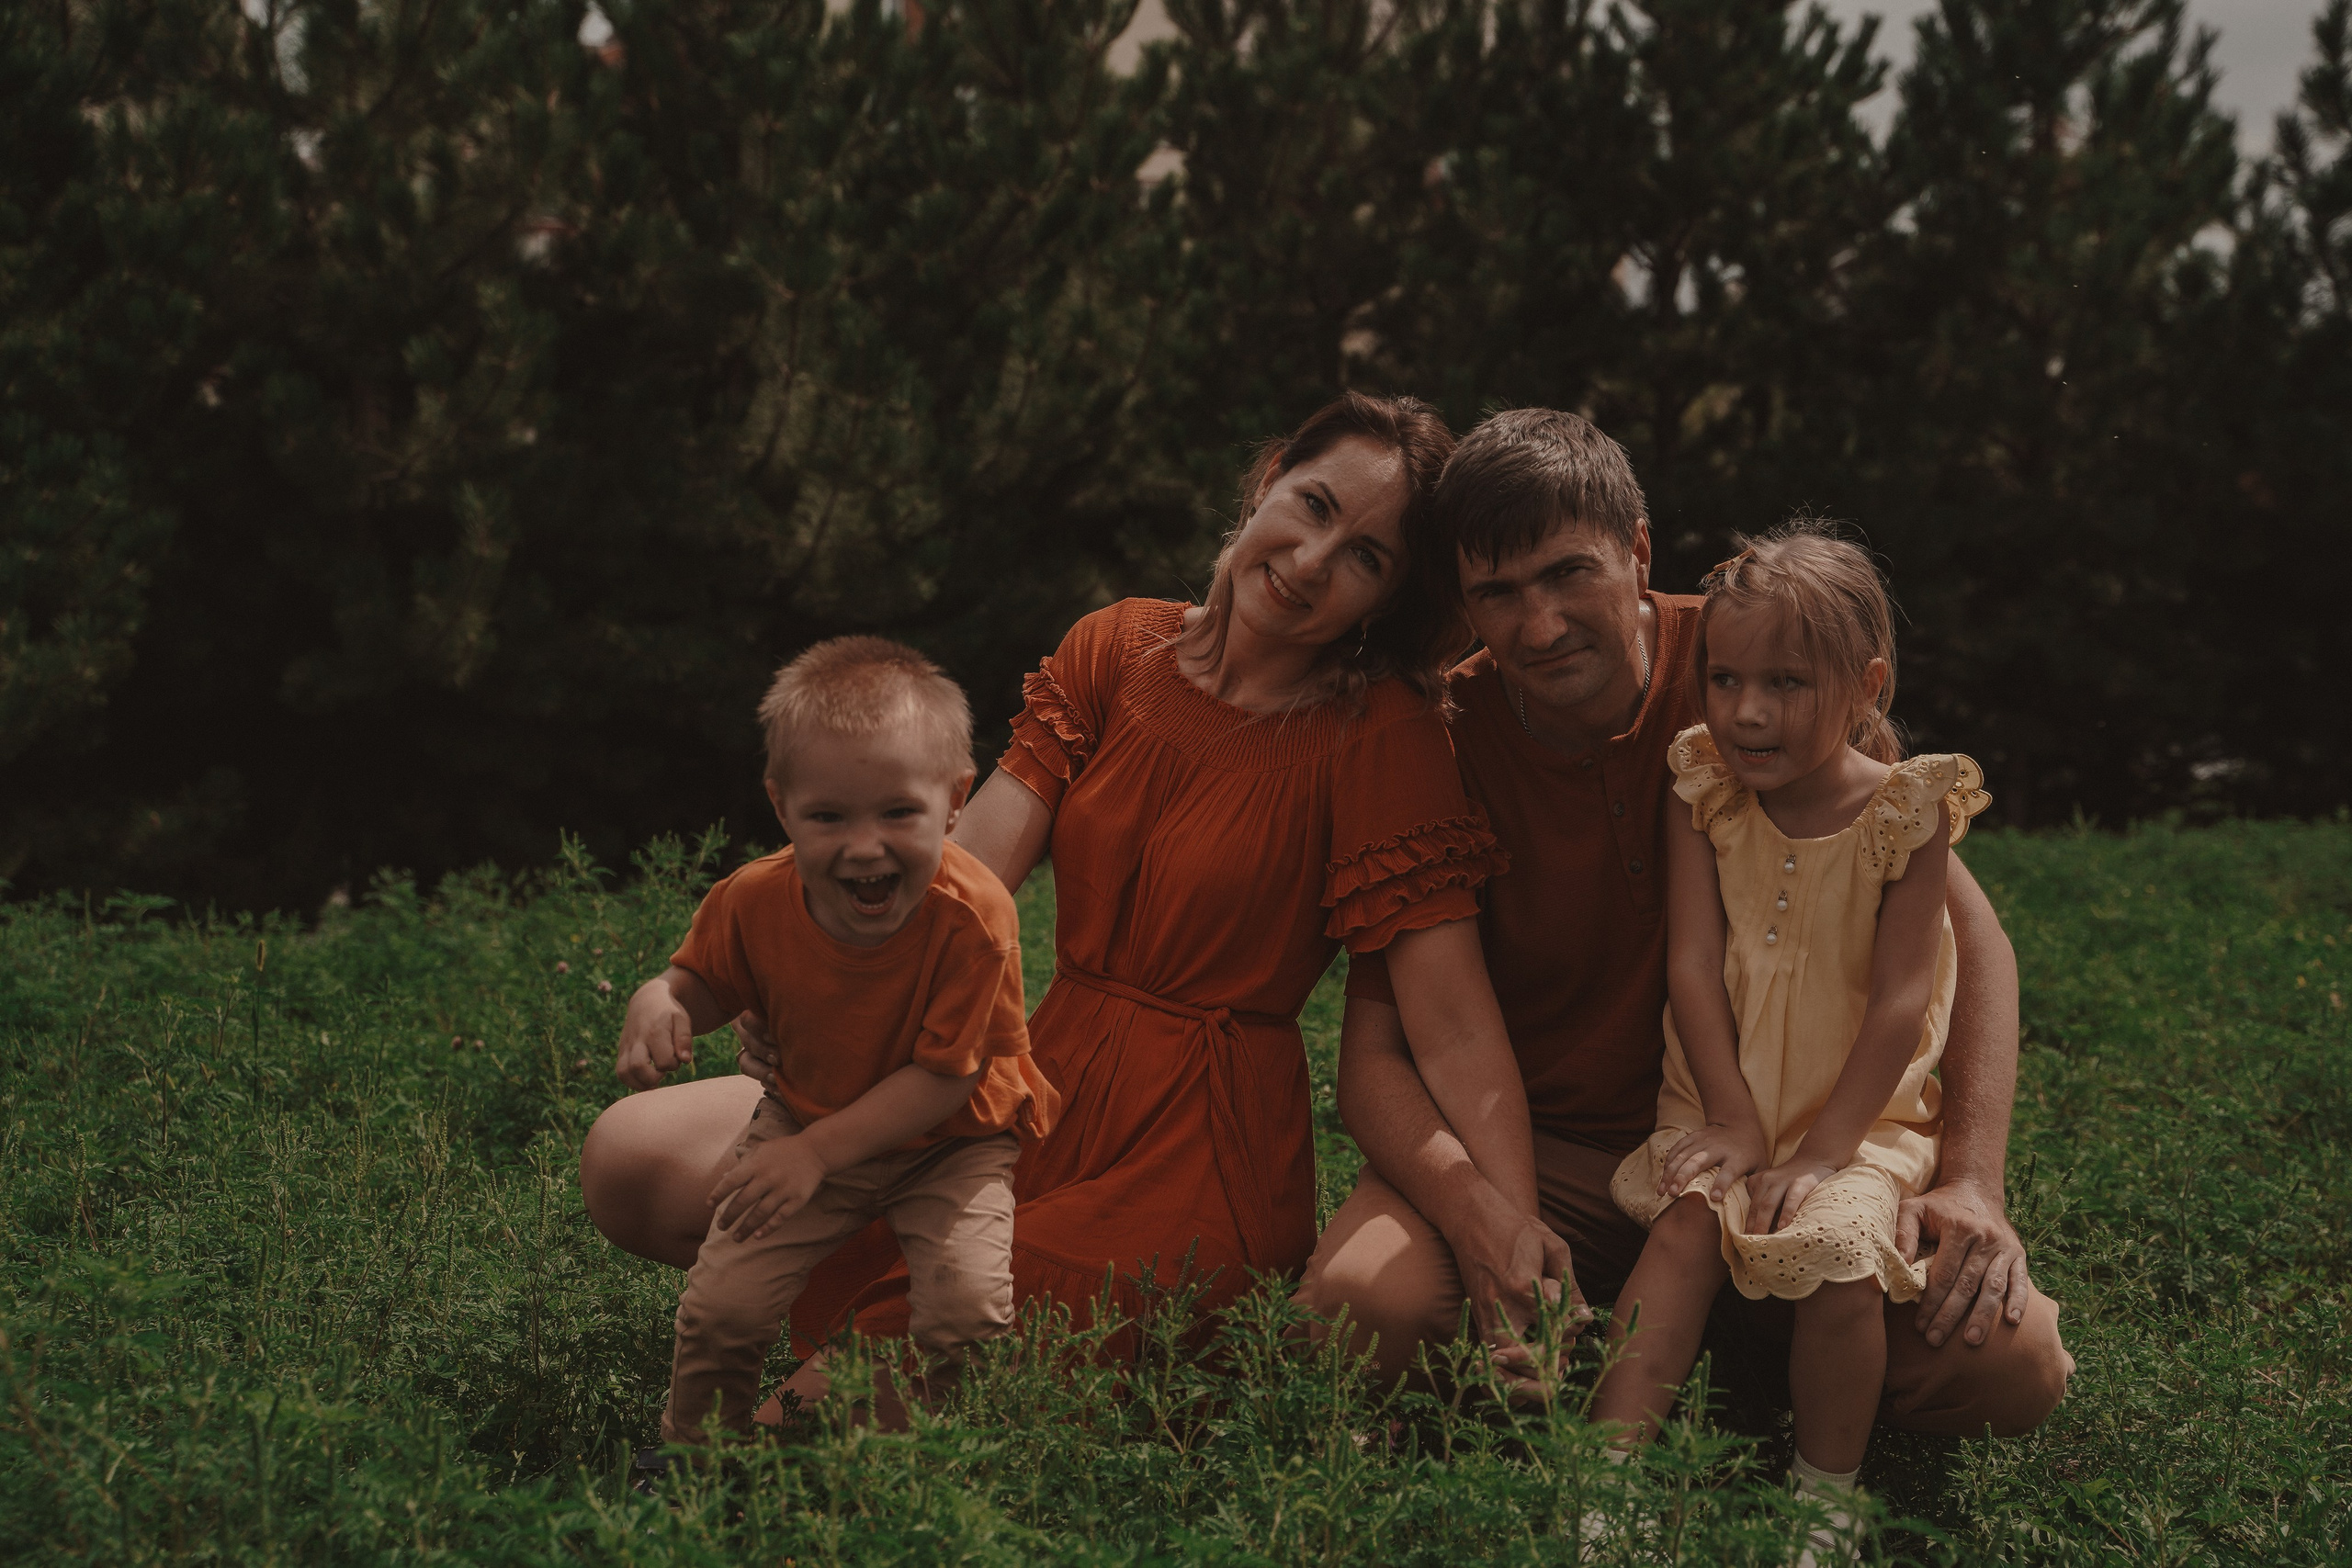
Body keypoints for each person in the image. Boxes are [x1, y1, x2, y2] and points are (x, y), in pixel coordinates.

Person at [581, 393, 1532, 1408]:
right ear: (1265, 484)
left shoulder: (1379, 734)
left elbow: (1453, 1025)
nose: (1309, 562)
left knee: (863, 1383)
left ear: (1384, 603)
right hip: (1033, 1078)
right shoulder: (1118, 648)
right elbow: (961, 878)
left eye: (1366, 558)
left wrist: (1504, 1221)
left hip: (1200, 1147)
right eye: (1312, 505)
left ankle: (768, 1447)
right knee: (634, 1159)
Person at [1298, 408, 2073, 1439]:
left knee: (2003, 1368)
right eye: (1496, 592)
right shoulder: (1433, 738)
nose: (1538, 626)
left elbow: (1966, 937)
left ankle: (1716, 1352)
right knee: (1362, 1311)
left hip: (1791, 1149)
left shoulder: (1758, 658)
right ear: (1463, 603)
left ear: (1639, 549)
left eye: (1569, 573)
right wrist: (1483, 1217)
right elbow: (1377, 1057)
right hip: (1546, 1154)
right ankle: (1667, 1350)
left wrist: (1972, 1179)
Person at [1589, 523, 1988, 1552]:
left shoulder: (1906, 813)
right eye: (1724, 678)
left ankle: (1824, 1492)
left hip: (1852, 1124)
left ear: (1865, 684)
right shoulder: (1705, 789)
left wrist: (1819, 1153)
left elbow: (1902, 1003)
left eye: (1786, 683)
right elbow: (1690, 962)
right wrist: (1725, 1115)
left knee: (1844, 1258)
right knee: (1682, 1231)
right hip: (1721, 1100)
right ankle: (1605, 1478)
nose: (1746, 711)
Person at [620, 637, 1056, 1451]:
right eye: (828, 816)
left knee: (967, 1310)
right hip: (807, 1115)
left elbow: (943, 1080)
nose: (864, 846)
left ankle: (936, 1462)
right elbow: (705, 978)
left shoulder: (976, 915)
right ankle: (693, 1457)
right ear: (783, 805)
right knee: (725, 1306)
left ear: (956, 799)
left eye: (899, 812)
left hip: (954, 1142)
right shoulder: (753, 899)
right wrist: (664, 996)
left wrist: (815, 1153)